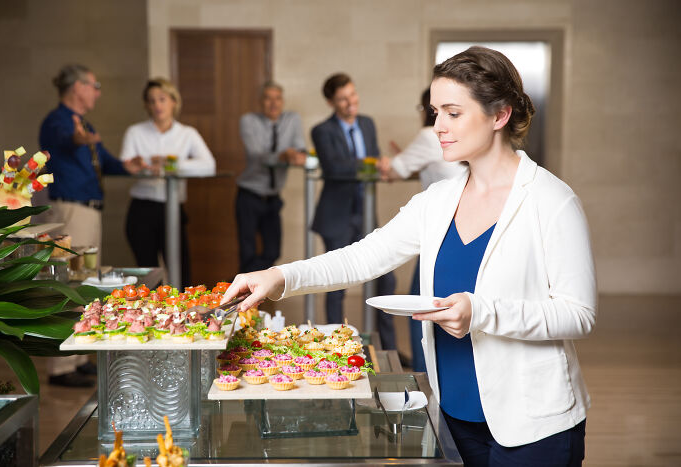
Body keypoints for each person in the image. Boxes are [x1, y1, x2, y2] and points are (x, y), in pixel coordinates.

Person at [223, 47, 595, 465]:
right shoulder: (438, 199)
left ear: (499, 115)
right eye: (435, 112)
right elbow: (362, 257)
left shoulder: (552, 200)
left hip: (534, 425)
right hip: (453, 414)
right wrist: (279, 276)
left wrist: (481, 312)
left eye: (453, 113)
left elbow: (578, 313)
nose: (437, 126)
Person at [39, 64, 145, 387]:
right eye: (94, 85)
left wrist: (130, 167)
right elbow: (65, 141)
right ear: (77, 87)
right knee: (67, 282)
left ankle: (80, 355)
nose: (98, 91)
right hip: (70, 211)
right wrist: (77, 137)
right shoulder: (58, 121)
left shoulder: (85, 124)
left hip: (89, 211)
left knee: (84, 284)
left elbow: (106, 161)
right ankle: (61, 367)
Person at [377, 88, 462, 372]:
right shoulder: (455, 136)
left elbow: (393, 170)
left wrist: (384, 162)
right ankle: (434, 369)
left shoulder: (429, 135)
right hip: (457, 229)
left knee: (420, 303)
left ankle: (423, 374)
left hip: (442, 230)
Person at [310, 73, 397, 350]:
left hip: (366, 212)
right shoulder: (321, 131)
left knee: (386, 278)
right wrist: (371, 163)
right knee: (337, 284)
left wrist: (378, 162)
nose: (351, 102)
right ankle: (336, 347)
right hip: (337, 216)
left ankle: (386, 348)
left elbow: (370, 158)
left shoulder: (368, 123)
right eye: (343, 99)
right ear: (330, 102)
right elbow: (335, 168)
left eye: (353, 95)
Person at [120, 78, 216, 286]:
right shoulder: (135, 132)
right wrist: (141, 164)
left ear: (174, 101)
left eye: (162, 99)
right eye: (152, 101)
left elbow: (209, 165)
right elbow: (125, 164)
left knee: (181, 272)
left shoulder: (187, 134)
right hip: (142, 209)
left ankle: (183, 317)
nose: (157, 105)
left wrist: (170, 163)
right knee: (148, 275)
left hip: (172, 209)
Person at [236, 81, 306, 273]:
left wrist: (298, 155)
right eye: (268, 98)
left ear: (283, 101)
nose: (273, 103)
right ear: (260, 102)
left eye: (277, 98)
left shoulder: (291, 119)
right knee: (247, 252)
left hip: (273, 197)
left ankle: (251, 285)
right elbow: (257, 155)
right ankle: (245, 298)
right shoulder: (248, 120)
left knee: (273, 251)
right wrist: (284, 156)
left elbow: (300, 147)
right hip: (249, 195)